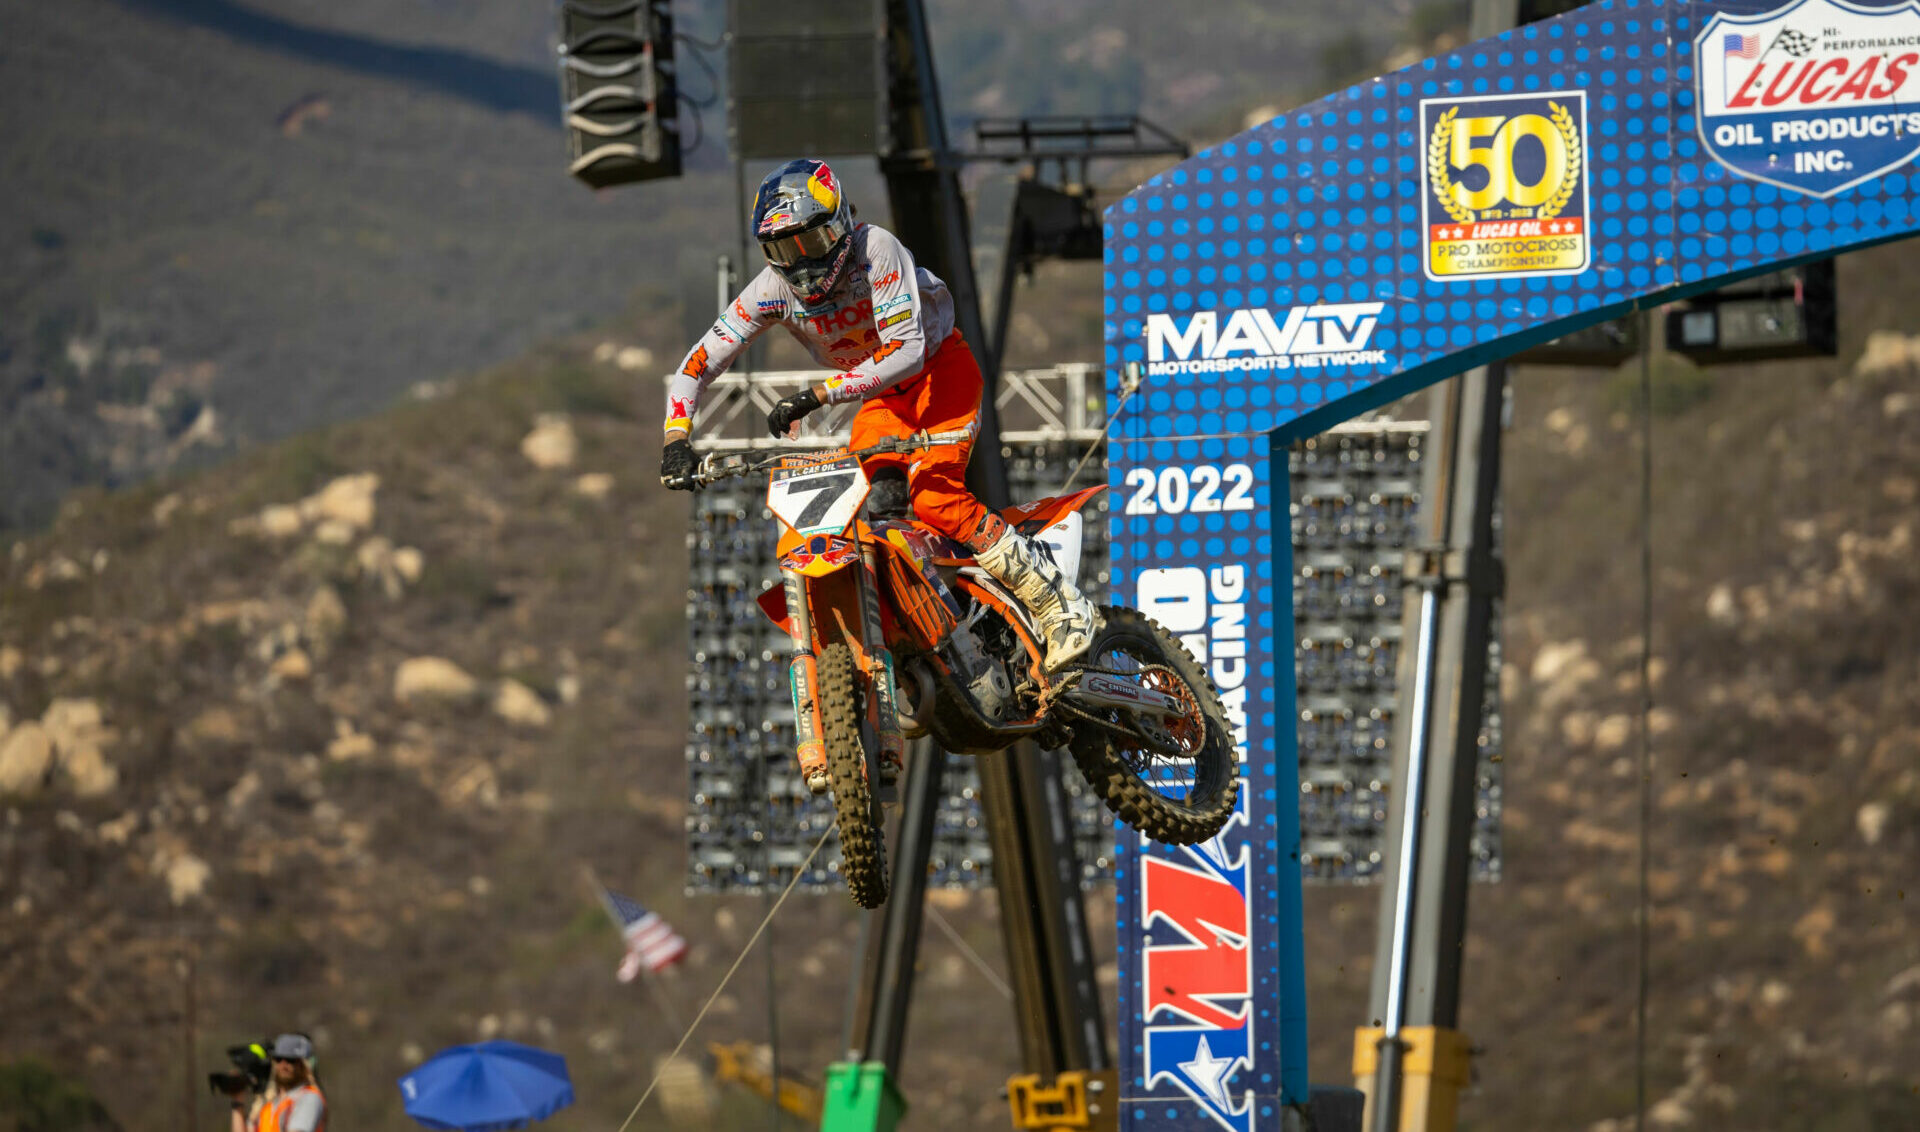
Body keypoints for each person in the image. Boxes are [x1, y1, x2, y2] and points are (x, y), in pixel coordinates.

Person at [659, 158, 1099, 669]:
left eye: (811, 243)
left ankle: (1061, 605)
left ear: (840, 224)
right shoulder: (771, 291)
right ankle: (947, 615)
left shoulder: (877, 249)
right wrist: (675, 439)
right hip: (883, 399)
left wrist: (819, 395)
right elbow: (697, 363)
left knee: (936, 499)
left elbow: (906, 349)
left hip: (941, 372)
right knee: (865, 506)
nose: (801, 264)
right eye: (783, 250)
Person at [230, 1034, 325, 1132]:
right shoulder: (270, 1104)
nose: (283, 1065)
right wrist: (237, 1101)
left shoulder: (309, 1097)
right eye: (278, 1059)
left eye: (290, 1060)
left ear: (303, 1065)